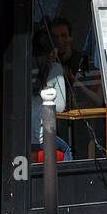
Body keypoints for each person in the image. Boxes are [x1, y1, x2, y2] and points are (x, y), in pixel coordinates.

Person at [31, 29, 72, 159]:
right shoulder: (55, 68)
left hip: (22, 136)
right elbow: (59, 107)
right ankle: (67, 180)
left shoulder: (24, 66)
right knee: (67, 150)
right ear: (53, 51)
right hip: (43, 139)